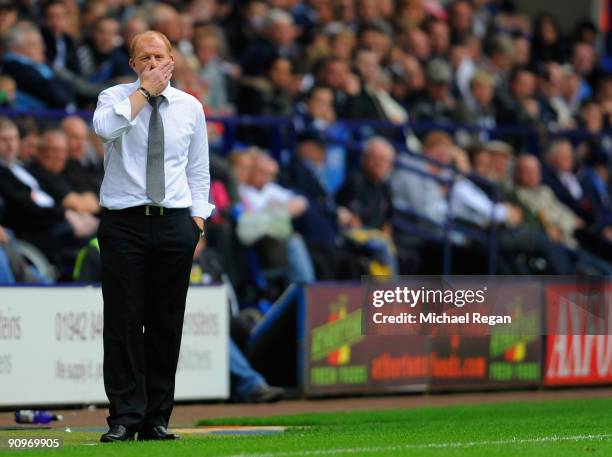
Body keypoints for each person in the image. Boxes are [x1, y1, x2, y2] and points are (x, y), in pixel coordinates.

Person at [92, 30, 214, 442]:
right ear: (133, 65)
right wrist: (143, 92)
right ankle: (124, 417)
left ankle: (157, 418)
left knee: (166, 323)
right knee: (123, 322)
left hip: (174, 222)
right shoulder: (114, 98)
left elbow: (199, 169)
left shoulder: (190, 107)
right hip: (123, 222)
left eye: (158, 55)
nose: (152, 63)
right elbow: (105, 130)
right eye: (143, 57)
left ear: (172, 60)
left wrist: (197, 221)